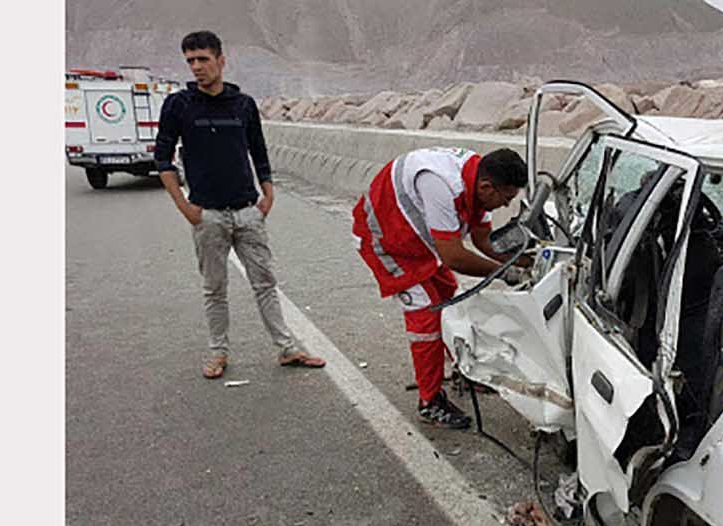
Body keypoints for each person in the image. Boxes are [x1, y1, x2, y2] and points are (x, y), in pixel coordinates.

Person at [154, 30, 325, 379]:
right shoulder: (179, 105)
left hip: (248, 211)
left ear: (221, 60)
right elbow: (162, 159)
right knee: (214, 289)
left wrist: (268, 195)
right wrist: (185, 207)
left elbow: (258, 150)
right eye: (190, 61)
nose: (197, 67)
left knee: (265, 283)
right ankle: (219, 352)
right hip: (208, 215)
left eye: (203, 59)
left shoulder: (242, 104)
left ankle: (287, 349)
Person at [352, 147, 528, 428]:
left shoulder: (479, 180)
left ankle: (463, 369)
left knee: (450, 301)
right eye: (506, 198)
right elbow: (454, 256)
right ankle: (430, 401)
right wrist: (507, 273)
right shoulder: (440, 184)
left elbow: (485, 241)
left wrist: (527, 259)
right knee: (426, 318)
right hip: (386, 242)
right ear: (486, 187)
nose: (506, 206)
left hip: (419, 243)